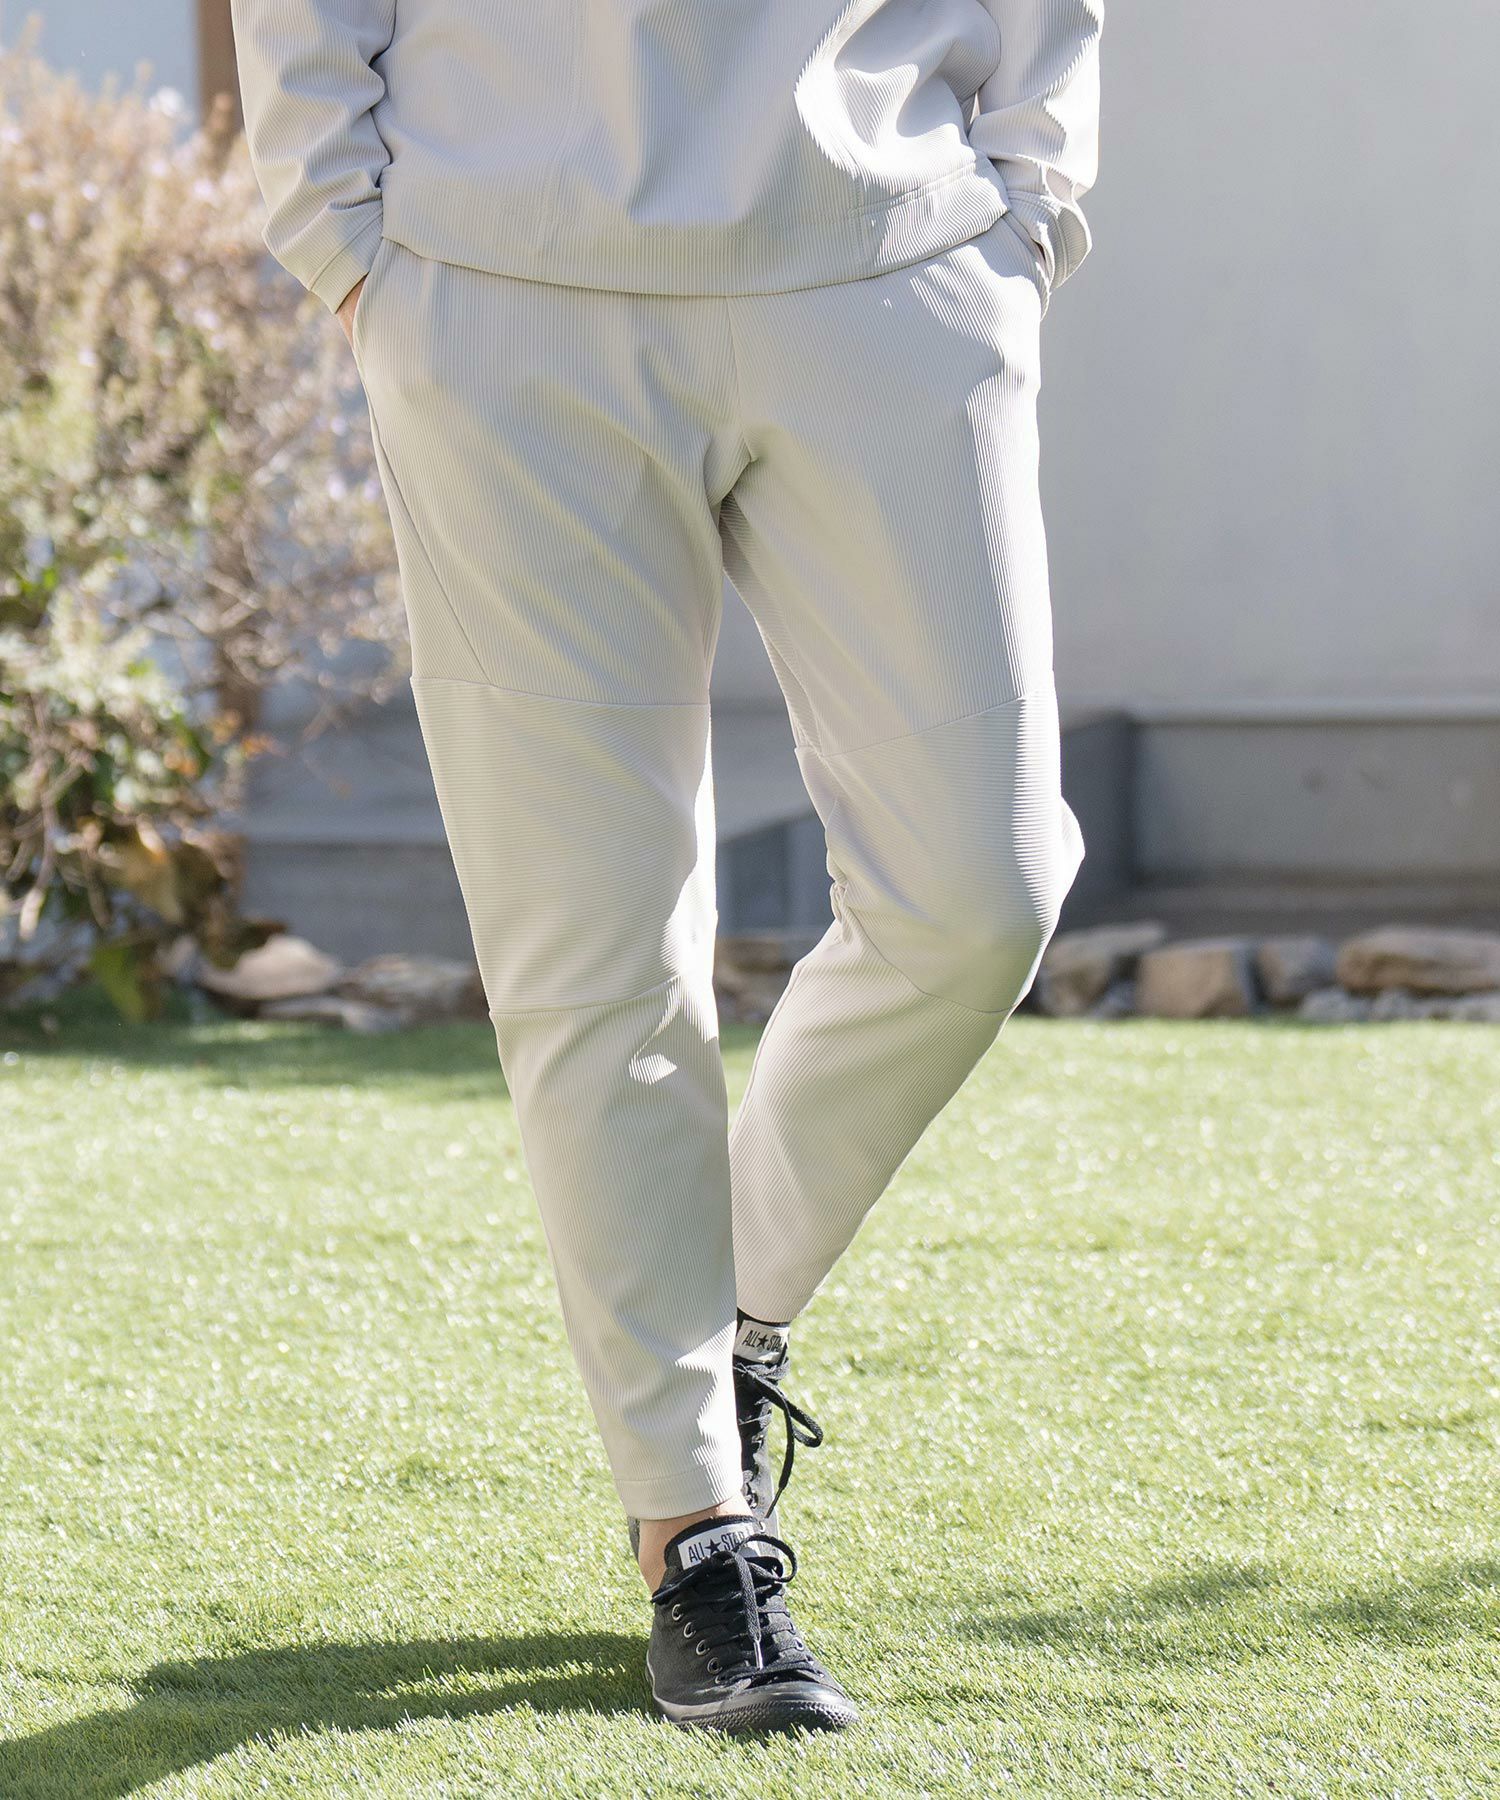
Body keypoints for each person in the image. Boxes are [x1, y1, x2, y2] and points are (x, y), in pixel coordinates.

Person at [231, 0, 1102, 1735]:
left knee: (980, 889)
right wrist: (347, 239)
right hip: (502, 281)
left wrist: (1032, 203)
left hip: (897, 253)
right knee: (597, 946)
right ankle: (696, 1525)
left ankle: (728, 1319)